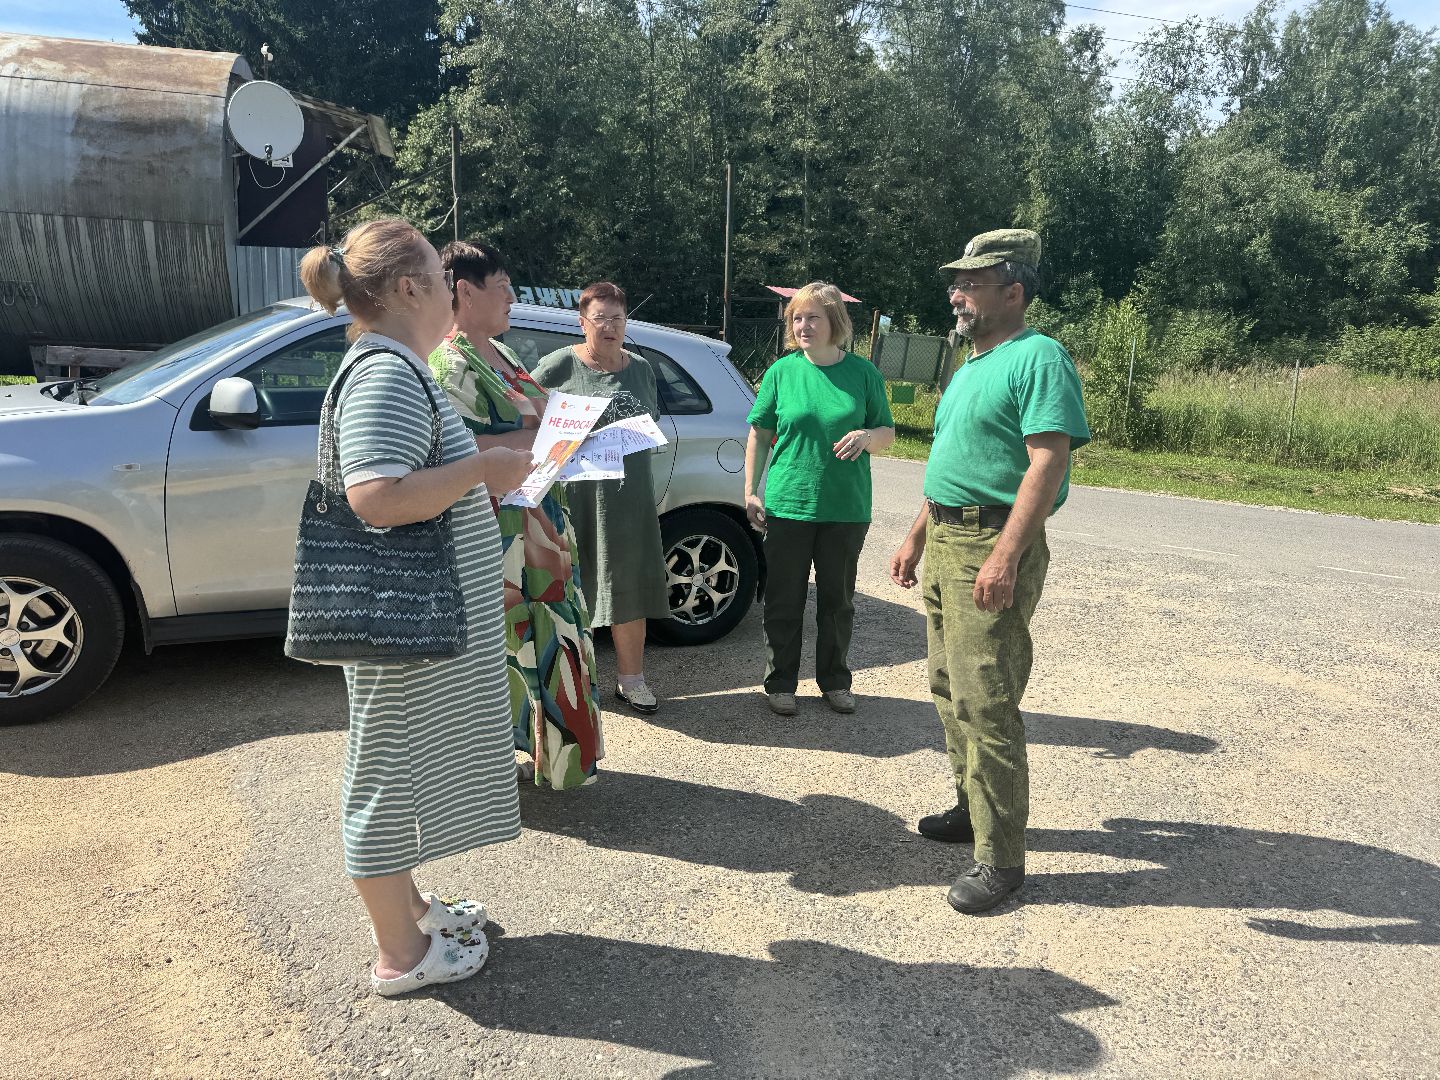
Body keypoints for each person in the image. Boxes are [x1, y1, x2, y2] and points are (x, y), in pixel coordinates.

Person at [297, 218, 533, 995]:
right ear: (409, 288)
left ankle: (412, 910)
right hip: (406, 623)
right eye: (439, 276)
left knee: (397, 768)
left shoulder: (394, 365)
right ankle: (401, 955)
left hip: (416, 617)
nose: (450, 294)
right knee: (385, 776)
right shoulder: (388, 373)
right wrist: (485, 469)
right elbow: (377, 495)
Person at [888, 229, 1090, 914]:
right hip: (947, 537)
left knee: (987, 699)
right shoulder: (970, 365)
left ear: (1014, 291)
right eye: (957, 284)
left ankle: (1001, 859)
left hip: (990, 541)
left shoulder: (1039, 357)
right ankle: (971, 808)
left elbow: (1048, 461)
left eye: (970, 284)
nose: (957, 295)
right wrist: (916, 537)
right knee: (948, 688)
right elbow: (953, 462)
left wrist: (1005, 554)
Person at [427, 240, 603, 790]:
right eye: (502, 286)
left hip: (538, 529)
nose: (511, 297)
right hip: (499, 537)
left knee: (551, 636)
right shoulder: (450, 361)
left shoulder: (501, 353)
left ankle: (546, 758)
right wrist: (550, 440)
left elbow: (535, 423)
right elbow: (457, 450)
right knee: (510, 646)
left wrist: (573, 433)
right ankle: (492, 769)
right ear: (464, 291)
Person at [744, 282, 895, 716]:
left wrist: (867, 436)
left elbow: (886, 432)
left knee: (837, 602)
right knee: (783, 600)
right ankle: (780, 683)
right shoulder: (782, 372)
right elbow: (760, 434)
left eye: (813, 317)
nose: (803, 326)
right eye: (797, 318)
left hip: (845, 509)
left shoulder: (863, 373)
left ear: (835, 323)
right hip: (789, 506)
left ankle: (835, 681)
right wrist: (750, 491)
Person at [531, 283, 669, 715]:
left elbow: (651, 419)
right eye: (600, 318)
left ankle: (632, 680)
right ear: (582, 323)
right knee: (572, 587)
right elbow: (526, 413)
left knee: (629, 587)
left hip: (629, 501)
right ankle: (575, 683)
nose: (609, 327)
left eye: (617, 319)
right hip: (575, 497)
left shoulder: (640, 368)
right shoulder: (559, 365)